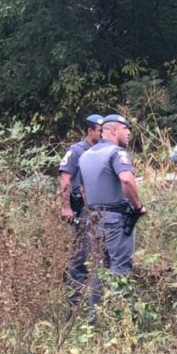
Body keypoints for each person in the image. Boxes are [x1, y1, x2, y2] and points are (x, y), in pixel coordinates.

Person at [78, 114, 147, 322]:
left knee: (99, 269)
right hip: (116, 219)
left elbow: (82, 190)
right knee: (120, 268)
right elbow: (126, 181)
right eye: (126, 129)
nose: (129, 134)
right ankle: (121, 320)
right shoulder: (117, 153)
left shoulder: (86, 155)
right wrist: (138, 206)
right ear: (115, 130)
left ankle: (95, 319)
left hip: (94, 218)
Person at [58, 113, 103, 306]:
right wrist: (66, 206)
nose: (103, 135)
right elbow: (65, 180)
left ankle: (96, 301)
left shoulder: (104, 151)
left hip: (99, 207)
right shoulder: (77, 151)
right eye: (100, 131)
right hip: (81, 208)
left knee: (99, 253)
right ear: (90, 130)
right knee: (81, 254)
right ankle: (73, 303)